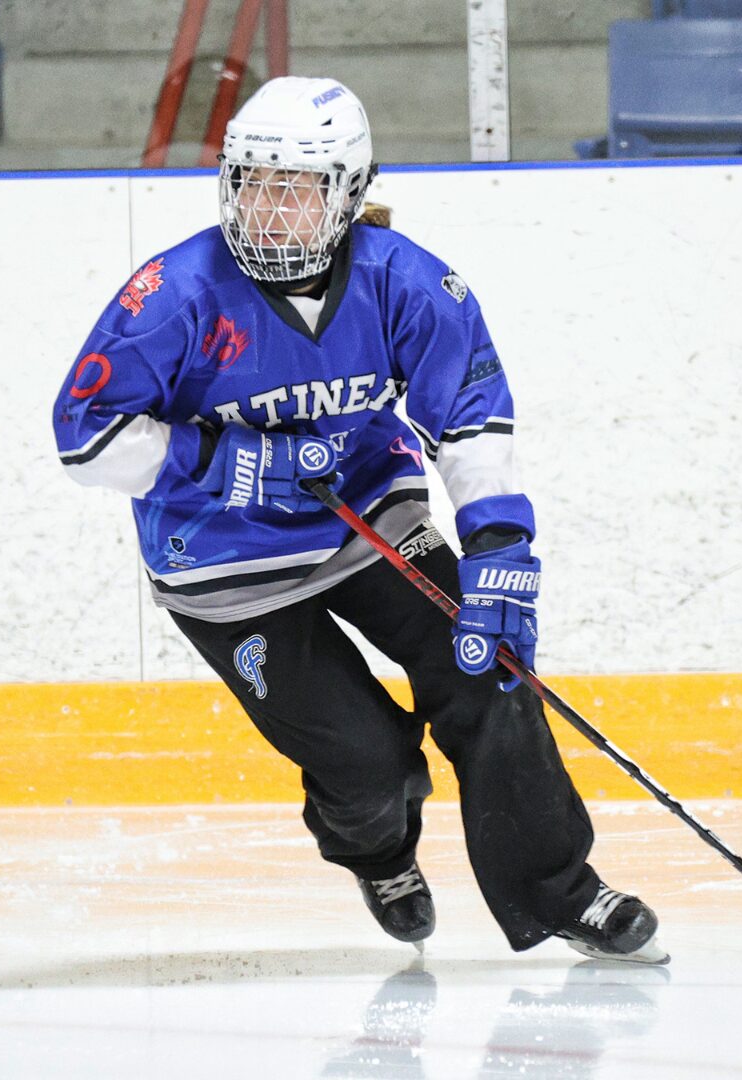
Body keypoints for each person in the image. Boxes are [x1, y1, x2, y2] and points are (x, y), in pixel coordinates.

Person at [52, 78, 665, 963]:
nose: (266, 207)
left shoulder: (405, 281)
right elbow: (87, 439)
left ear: (345, 191)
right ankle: (380, 853)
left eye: (293, 186)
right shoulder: (173, 294)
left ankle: (562, 893)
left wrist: (499, 546)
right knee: (368, 763)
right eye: (252, 181)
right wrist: (231, 466)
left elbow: (472, 417)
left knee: (490, 674)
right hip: (223, 567)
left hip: (371, 519)